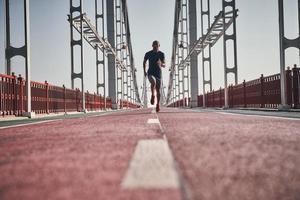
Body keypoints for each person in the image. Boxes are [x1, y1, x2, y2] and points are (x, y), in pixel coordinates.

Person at [143, 40, 165, 112]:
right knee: (153, 82)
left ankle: (157, 104)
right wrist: (144, 71)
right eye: (154, 45)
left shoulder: (162, 54)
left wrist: (161, 64)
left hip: (158, 74)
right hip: (150, 73)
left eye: (157, 45)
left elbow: (164, 65)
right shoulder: (148, 53)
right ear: (152, 46)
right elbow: (144, 62)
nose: (155, 46)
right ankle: (153, 95)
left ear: (159, 46)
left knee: (158, 90)